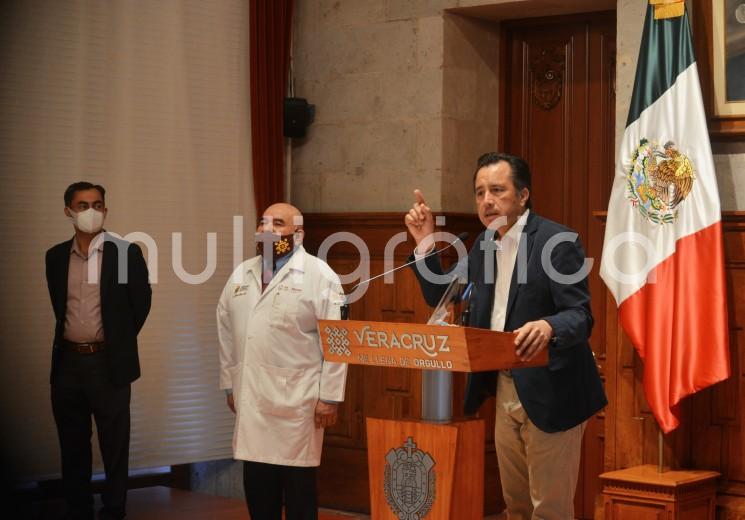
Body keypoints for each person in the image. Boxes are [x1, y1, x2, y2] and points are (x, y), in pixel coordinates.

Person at [405, 153, 607, 520]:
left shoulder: (556, 241)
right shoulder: (484, 243)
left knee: (549, 511)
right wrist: (425, 242)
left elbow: (580, 317)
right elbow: (442, 297)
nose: (487, 200)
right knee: (515, 507)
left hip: (552, 387)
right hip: (504, 385)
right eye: (480, 192)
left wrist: (548, 327)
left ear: (523, 195)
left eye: (497, 190)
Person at [217, 202, 347, 520]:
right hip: (252, 401)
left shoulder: (320, 276)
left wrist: (329, 397)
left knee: (299, 493)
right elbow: (225, 331)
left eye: (278, 224)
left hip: (298, 403)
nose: (267, 230)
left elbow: (338, 342)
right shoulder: (241, 274)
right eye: (263, 223)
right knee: (259, 491)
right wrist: (229, 385)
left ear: (298, 235)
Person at [45, 182, 151, 520]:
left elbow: (140, 304)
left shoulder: (125, 253)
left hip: (109, 363)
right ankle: (78, 509)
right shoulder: (56, 257)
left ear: (105, 209)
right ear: (68, 211)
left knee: (114, 445)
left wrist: (115, 342)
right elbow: (59, 305)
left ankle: (114, 510)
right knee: (73, 445)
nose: (90, 210)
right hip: (68, 364)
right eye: (82, 204)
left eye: (97, 203)